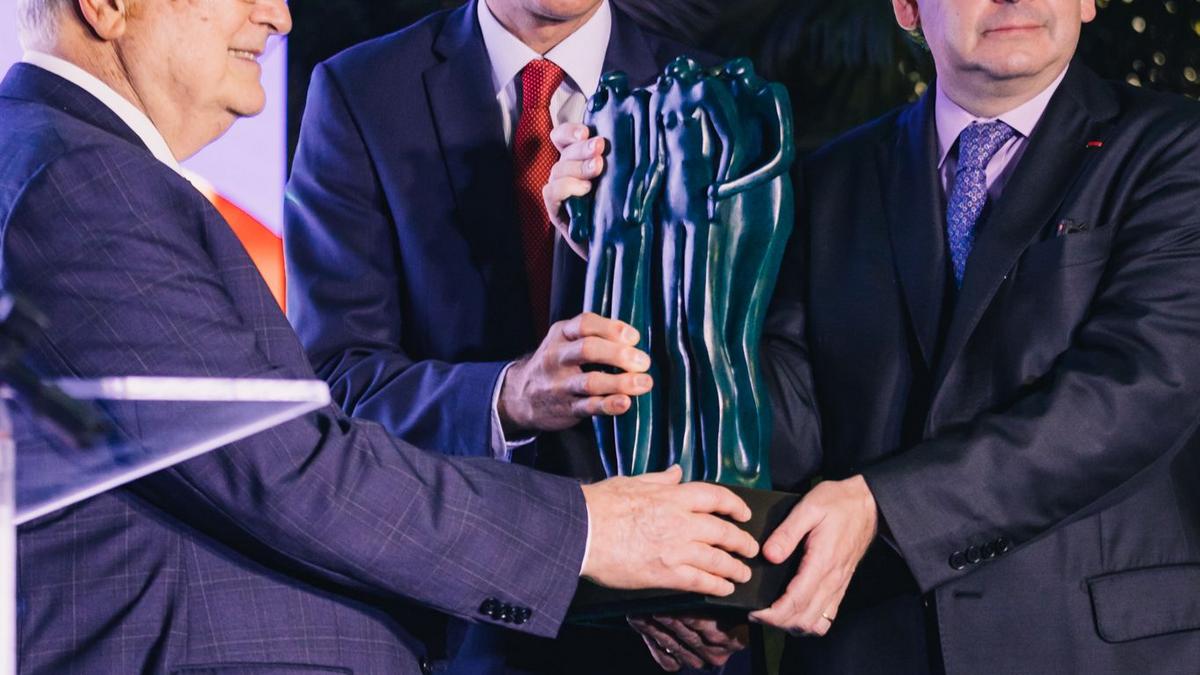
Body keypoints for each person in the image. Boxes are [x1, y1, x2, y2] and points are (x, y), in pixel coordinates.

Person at [0, 1, 762, 673]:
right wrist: (593, 533)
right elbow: (286, 467)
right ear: (107, 5)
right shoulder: (83, 179)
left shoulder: (69, 164)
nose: (279, 16)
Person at [546, 0, 1200, 671]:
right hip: (870, 644)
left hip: (1091, 647)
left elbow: (1142, 392)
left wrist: (885, 507)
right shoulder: (831, 178)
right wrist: (624, 255)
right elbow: (777, 420)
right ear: (908, 8)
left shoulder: (1177, 150)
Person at [283, 1, 732, 672]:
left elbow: (770, 370)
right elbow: (339, 385)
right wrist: (508, 395)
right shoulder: (362, 92)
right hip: (460, 622)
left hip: (678, 631)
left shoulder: (716, 94)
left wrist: (692, 575)